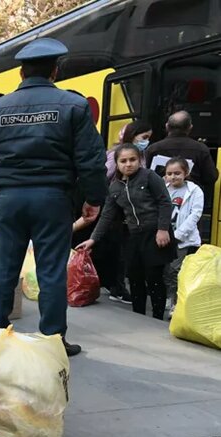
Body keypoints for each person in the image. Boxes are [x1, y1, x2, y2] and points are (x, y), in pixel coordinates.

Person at [0, 38, 108, 357]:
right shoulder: (73, 106)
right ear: (55, 71)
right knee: (51, 272)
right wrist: (93, 198)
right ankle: (52, 340)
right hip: (53, 199)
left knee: (4, 269)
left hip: (10, 199)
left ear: (20, 73)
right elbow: (90, 158)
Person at [78, 144, 176, 320]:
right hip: (133, 236)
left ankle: (157, 318)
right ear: (117, 163)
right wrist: (93, 240)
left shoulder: (149, 177)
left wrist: (162, 229)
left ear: (140, 160)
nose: (128, 164)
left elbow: (165, 203)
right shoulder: (114, 187)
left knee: (154, 277)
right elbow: (106, 216)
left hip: (155, 233)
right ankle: (138, 317)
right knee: (135, 277)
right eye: (123, 161)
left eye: (133, 160)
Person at [145, 111, 218, 209]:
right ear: (190, 127)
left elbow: (146, 175)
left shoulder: (153, 149)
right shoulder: (201, 149)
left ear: (167, 126)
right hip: (189, 202)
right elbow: (210, 177)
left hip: (159, 201)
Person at [163, 157, 203, 318]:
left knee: (174, 270)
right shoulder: (164, 188)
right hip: (164, 236)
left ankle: (175, 302)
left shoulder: (195, 191)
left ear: (186, 173)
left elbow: (195, 214)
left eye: (177, 173)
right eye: (169, 173)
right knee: (165, 270)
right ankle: (169, 297)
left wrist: (179, 235)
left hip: (182, 240)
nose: (173, 177)